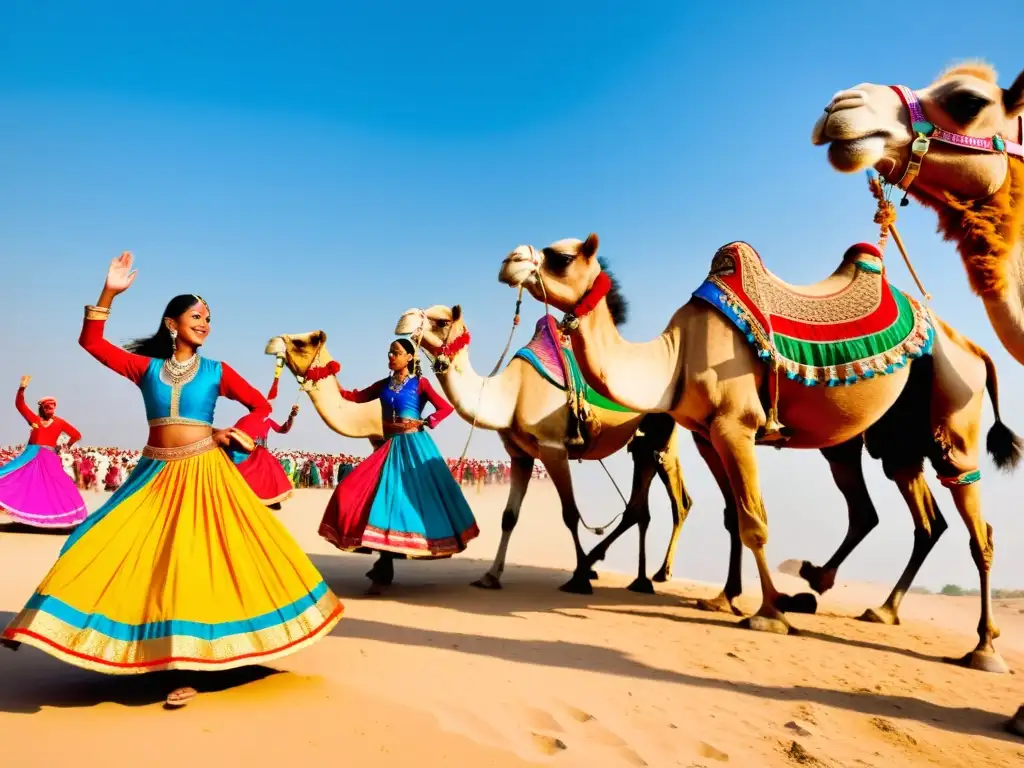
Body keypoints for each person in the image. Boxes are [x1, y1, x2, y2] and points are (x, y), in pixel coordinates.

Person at [1, 252, 343, 708]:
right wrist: (109, 292)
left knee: (194, 563)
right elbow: (92, 342)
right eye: (196, 316)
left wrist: (236, 435)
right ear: (172, 324)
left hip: (205, 473)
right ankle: (51, 625)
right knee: (99, 542)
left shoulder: (218, 370)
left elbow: (261, 408)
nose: (205, 323)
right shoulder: (145, 369)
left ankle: (188, 665)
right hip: (154, 473)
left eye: (209, 318)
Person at [311, 338, 478, 593]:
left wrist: (427, 421)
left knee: (401, 502)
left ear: (410, 358)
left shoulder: (420, 383)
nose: (391, 356)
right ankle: (383, 563)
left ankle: (384, 566)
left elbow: (446, 407)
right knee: (350, 490)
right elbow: (352, 397)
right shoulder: (383, 385)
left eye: (396, 353)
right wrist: (328, 377)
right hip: (389, 447)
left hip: (414, 448)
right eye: (389, 352)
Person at [0, 377, 87, 528]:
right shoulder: (34, 419)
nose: (50, 410)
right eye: (47, 408)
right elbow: (20, 405)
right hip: (31, 456)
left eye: (52, 408)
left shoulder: (59, 422)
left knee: (60, 485)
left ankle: (61, 516)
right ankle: (27, 516)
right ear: (42, 408)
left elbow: (76, 435)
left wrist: (65, 446)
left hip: (49, 458)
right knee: (17, 478)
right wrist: (22, 388)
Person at [226, 363, 299, 510]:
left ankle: (271, 498)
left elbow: (283, 429)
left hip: (255, 451)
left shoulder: (267, 420)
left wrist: (291, 416)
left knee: (269, 466)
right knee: (267, 462)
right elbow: (235, 435)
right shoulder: (248, 418)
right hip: (243, 452)